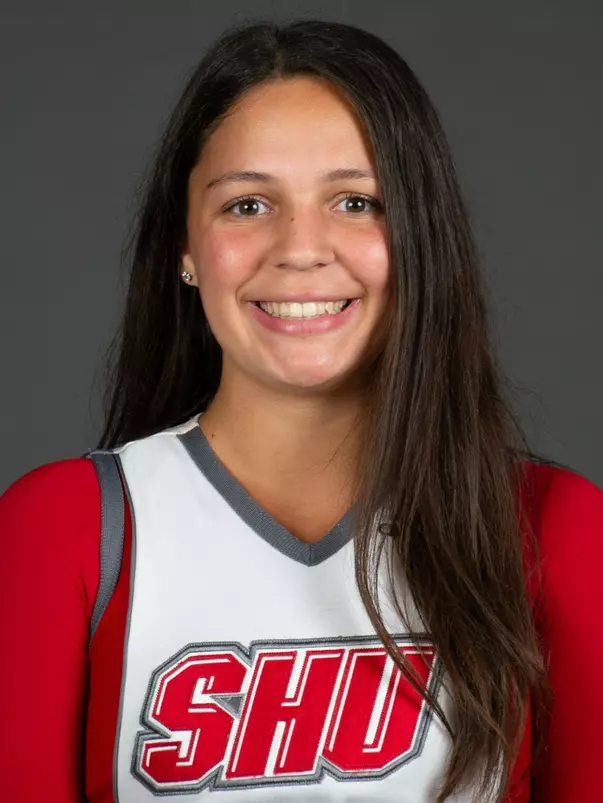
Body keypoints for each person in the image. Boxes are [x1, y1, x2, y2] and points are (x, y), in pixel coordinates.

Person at [0, 17, 601, 803]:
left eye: (356, 201)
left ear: (420, 236)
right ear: (185, 246)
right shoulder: (65, 528)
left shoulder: (553, 526)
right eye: (247, 206)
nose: (300, 247)